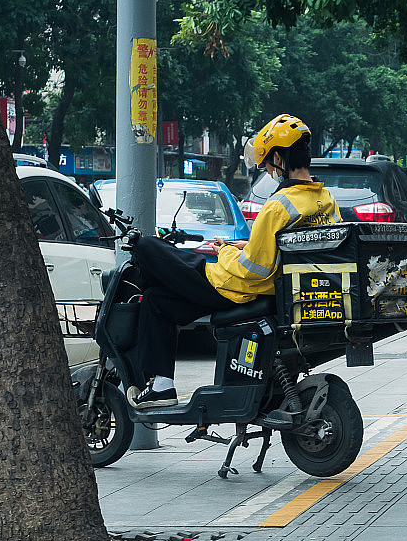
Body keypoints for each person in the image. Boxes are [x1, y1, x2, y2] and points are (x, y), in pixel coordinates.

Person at [127, 114, 342, 409]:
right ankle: (162, 386)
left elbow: (253, 270)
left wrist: (226, 249)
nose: (268, 171)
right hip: (275, 288)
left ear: (279, 157)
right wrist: (248, 244)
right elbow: (285, 248)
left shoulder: (279, 205)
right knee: (155, 300)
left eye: (267, 164)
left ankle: (147, 377)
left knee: (148, 247)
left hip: (235, 288)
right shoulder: (325, 200)